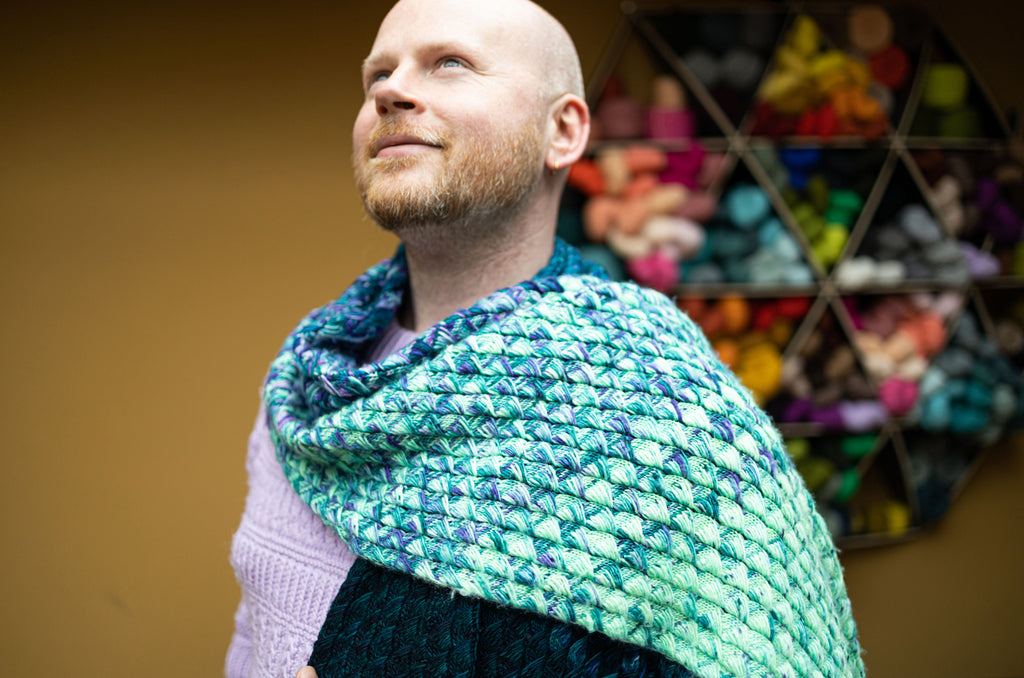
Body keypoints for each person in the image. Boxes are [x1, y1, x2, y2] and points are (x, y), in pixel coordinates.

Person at [227, 0, 865, 676]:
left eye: (450, 63)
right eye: (377, 75)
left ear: (562, 131)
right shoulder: (307, 388)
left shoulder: (660, 407)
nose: (390, 91)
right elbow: (252, 633)